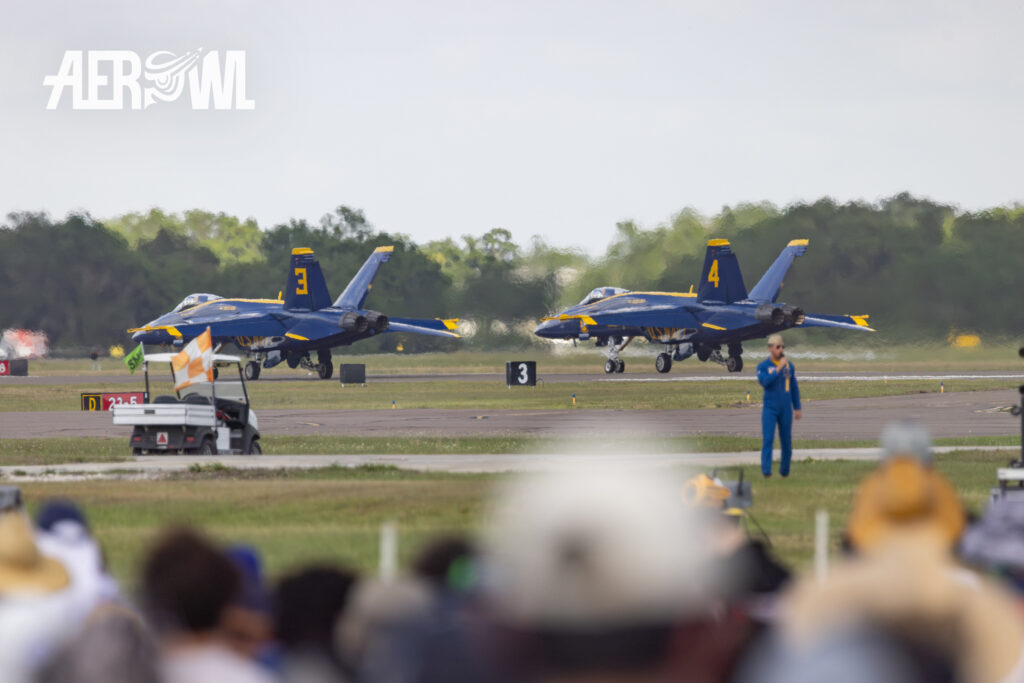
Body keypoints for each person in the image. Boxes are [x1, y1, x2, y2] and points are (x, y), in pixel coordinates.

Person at [756, 335, 801, 478]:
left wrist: (797, 407)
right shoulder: (763, 366)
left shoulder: (790, 366)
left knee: (786, 440)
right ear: (770, 348)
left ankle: (784, 471)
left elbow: (794, 387)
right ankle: (766, 471)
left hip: (786, 408)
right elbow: (765, 382)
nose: (780, 350)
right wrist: (778, 369)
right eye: (778, 347)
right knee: (768, 439)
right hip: (770, 407)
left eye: (782, 347)